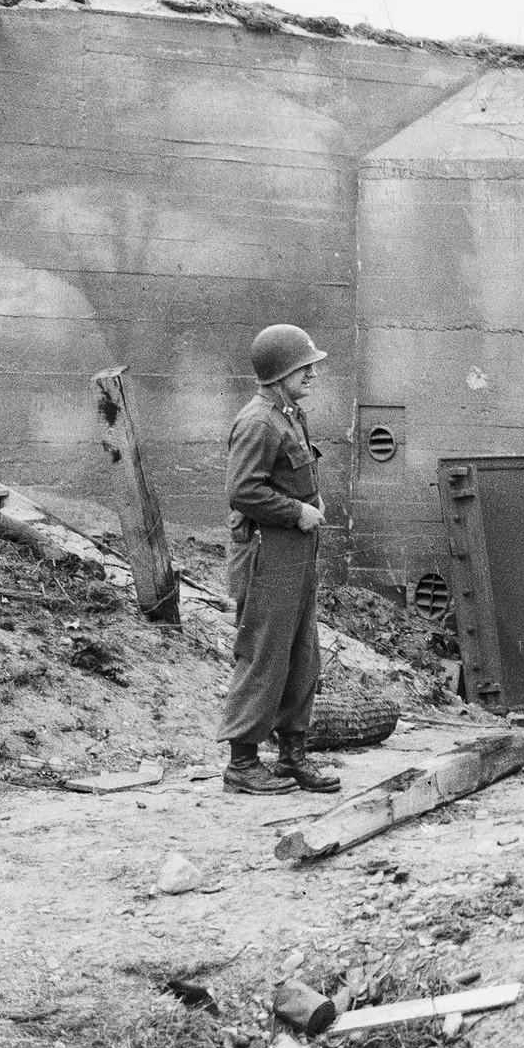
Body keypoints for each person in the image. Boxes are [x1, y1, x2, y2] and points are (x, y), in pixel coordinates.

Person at [216, 324, 341, 796]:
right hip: (268, 553)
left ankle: (292, 756)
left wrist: (314, 501)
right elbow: (243, 490)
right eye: (303, 367)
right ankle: (242, 763)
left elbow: (296, 472)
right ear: (280, 372)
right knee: (264, 655)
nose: (311, 373)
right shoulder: (258, 422)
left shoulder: (289, 414)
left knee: (301, 655)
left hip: (295, 551)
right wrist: (297, 511)